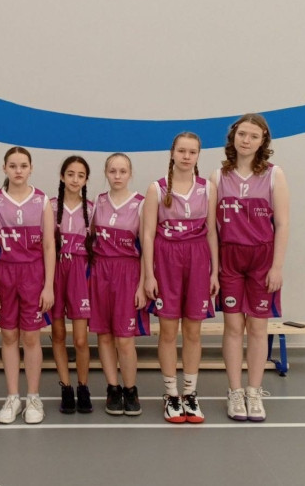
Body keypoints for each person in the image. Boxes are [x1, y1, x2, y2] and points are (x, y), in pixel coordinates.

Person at [210, 114, 289, 422]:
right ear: (233, 136)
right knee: (233, 328)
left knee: (257, 328)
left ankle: (254, 392)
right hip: (230, 258)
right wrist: (214, 269)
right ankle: (235, 392)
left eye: (254, 136)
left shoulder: (273, 174)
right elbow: (211, 229)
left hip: (261, 259)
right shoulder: (218, 177)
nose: (246, 140)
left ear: (262, 141)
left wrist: (277, 266)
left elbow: (282, 224)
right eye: (242, 134)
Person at [143, 132, 219, 423]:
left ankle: (189, 393)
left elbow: (211, 233)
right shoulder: (157, 188)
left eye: (192, 152)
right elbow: (147, 234)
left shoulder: (208, 188)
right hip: (167, 260)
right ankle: (171, 395)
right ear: (172, 153)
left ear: (198, 155)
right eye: (182, 151)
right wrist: (149, 275)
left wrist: (215, 271)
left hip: (197, 259)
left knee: (193, 332)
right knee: (167, 331)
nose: (187, 156)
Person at [0, 146, 55, 424]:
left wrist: (49, 286)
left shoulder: (42, 200)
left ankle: (33, 396)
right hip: (5, 274)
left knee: (32, 337)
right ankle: (13, 397)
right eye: (12, 166)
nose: (18, 171)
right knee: (9, 336)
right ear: (4, 168)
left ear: (31, 168)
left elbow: (49, 246)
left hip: (33, 275)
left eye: (23, 166)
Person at [89, 153, 148, 416]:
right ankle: (113, 388)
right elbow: (90, 240)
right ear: (106, 173)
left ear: (130, 174)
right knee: (104, 335)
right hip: (101, 272)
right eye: (112, 171)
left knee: (124, 339)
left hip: (128, 273)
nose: (117, 176)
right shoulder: (97, 203)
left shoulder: (141, 204)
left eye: (122, 171)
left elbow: (147, 247)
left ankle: (130, 389)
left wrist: (142, 284)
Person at [50, 156, 94, 414]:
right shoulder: (49, 206)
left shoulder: (93, 208)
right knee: (58, 334)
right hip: (55, 270)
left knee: (80, 339)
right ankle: (66, 387)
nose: (75, 179)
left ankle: (83, 386)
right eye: (70, 174)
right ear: (62, 176)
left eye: (80, 175)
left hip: (79, 272)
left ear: (86, 180)